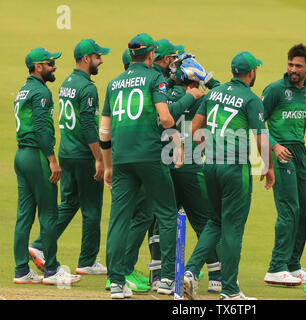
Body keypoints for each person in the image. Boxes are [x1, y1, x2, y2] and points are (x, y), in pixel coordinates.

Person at [184, 51, 275, 300]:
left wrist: (208, 151)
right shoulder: (251, 99)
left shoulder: (214, 92)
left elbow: (194, 128)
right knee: (233, 228)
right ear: (251, 72)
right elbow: (260, 138)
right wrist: (268, 167)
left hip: (210, 165)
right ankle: (230, 290)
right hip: (235, 169)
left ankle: (190, 272)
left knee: (215, 222)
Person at [99, 33, 183, 299]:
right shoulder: (154, 78)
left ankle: (116, 282)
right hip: (149, 155)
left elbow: (104, 132)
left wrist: (109, 166)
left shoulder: (113, 84)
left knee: (119, 218)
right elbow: (166, 117)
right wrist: (170, 128)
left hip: (121, 158)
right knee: (167, 214)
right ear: (150, 56)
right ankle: (167, 279)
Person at [29, 39, 110, 276]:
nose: (101, 60)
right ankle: (87, 261)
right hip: (85, 155)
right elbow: (88, 124)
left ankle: (39, 245)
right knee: (92, 208)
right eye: (97, 56)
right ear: (86, 59)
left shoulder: (67, 82)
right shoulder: (88, 87)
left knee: (70, 202)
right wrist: (99, 158)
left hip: (66, 152)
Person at [13, 47, 80, 285]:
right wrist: (52, 160)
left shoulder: (23, 90)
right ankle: (52, 270)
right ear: (38, 67)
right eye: (50, 63)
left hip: (21, 156)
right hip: (37, 156)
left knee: (24, 216)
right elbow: (41, 127)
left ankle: (21, 270)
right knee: (49, 214)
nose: (54, 67)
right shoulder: (41, 91)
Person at [262, 43, 306, 285]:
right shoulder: (276, 89)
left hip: (300, 151)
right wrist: (275, 146)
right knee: (289, 210)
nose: (293, 69)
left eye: (298, 66)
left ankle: (293, 265)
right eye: (290, 64)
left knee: (305, 211)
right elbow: (257, 123)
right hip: (281, 152)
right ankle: (276, 267)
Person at [165, 61, 223, 293]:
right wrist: (208, 80)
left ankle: (163, 277)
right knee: (204, 221)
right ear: (193, 81)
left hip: (165, 165)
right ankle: (217, 275)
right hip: (192, 166)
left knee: (164, 220)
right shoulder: (203, 98)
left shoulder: (166, 95)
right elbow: (225, 94)